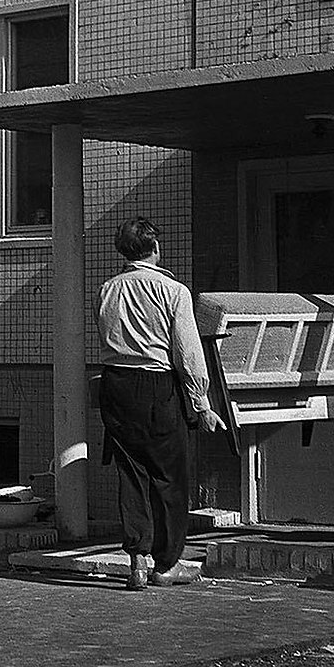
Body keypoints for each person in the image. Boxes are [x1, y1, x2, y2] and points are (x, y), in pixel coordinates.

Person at [96, 217, 226, 591]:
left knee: (131, 471)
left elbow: (106, 333)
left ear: (122, 251)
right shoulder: (174, 291)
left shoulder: (107, 290)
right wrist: (201, 403)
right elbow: (188, 352)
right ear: (155, 249)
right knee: (169, 476)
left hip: (115, 382)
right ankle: (166, 563)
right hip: (158, 382)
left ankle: (137, 556)